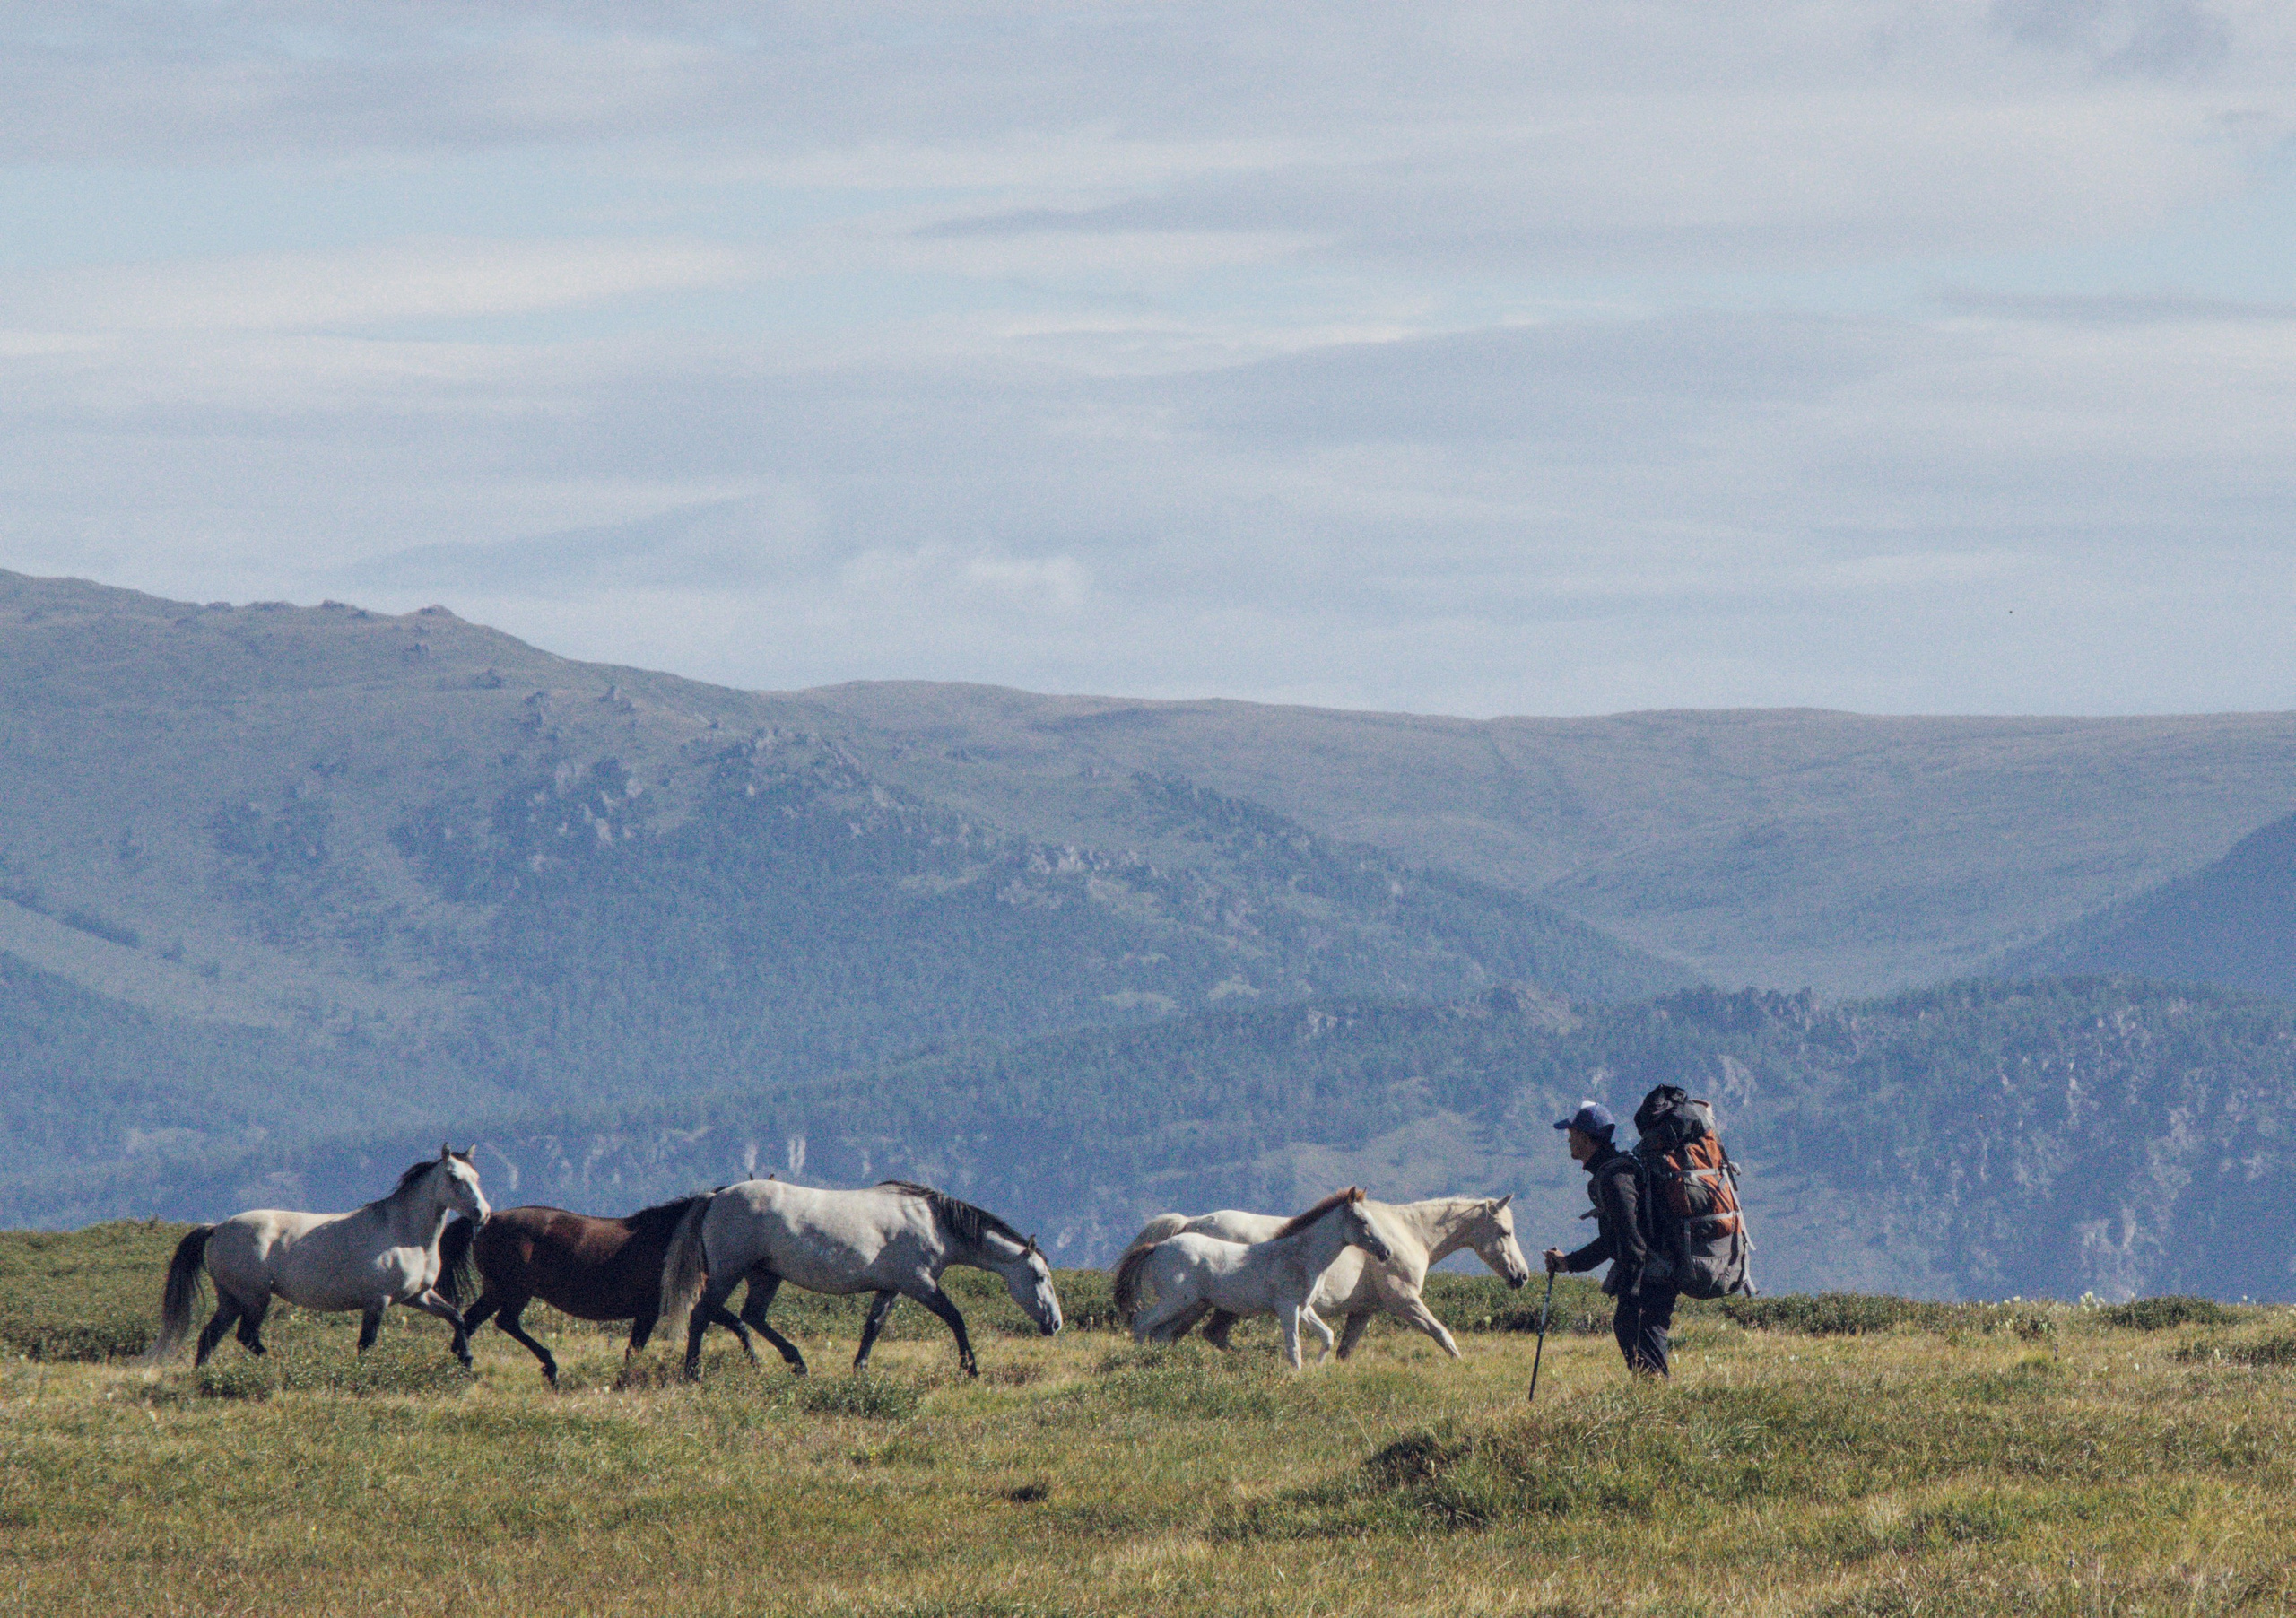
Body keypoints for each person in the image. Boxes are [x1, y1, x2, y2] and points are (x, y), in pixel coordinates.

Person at [1542, 1100, 1675, 1377]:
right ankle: (1654, 1405)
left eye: (1572, 1133)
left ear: (1587, 1138)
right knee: (1633, 1333)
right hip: (1655, 1272)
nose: (1568, 1139)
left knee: (1638, 1335)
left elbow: (1631, 1240)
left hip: (1654, 1275)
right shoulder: (1612, 1172)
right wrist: (1569, 1263)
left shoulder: (1614, 1179)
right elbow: (1613, 1239)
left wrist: (1631, 1293)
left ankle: (1659, 1407)